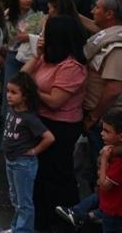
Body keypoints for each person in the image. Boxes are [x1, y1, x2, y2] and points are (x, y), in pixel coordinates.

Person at [21, 15, 88, 230]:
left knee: (57, 175)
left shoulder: (72, 66)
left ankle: (61, 222)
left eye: (45, 33)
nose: (41, 37)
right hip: (41, 122)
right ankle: (42, 221)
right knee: (40, 175)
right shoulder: (47, 58)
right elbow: (21, 77)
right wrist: (37, 55)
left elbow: (55, 101)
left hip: (61, 126)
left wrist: (31, 90)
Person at [2, 72, 56, 233]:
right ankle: (16, 227)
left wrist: (34, 151)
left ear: (25, 96)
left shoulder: (30, 118)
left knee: (24, 202)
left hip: (23, 163)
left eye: (14, 92)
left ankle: (23, 230)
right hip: (11, 159)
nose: (9, 95)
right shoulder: (12, 109)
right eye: (8, 91)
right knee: (15, 198)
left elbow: (49, 138)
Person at [57, 107, 122, 231]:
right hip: (109, 206)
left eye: (107, 131)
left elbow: (104, 185)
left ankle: (80, 215)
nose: (102, 133)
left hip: (113, 210)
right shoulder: (112, 152)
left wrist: (104, 159)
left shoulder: (118, 161)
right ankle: (79, 215)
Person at [82, 0, 122, 175]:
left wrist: (93, 117)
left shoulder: (117, 47)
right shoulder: (107, 37)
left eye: (97, 7)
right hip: (100, 119)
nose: (92, 11)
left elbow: (114, 89)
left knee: (103, 172)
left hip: (106, 121)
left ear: (109, 14)